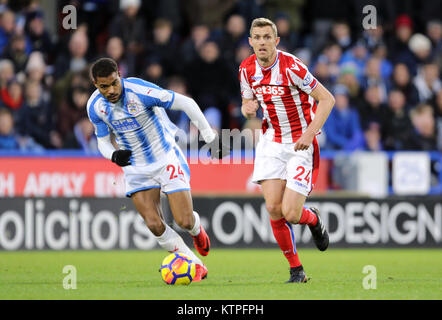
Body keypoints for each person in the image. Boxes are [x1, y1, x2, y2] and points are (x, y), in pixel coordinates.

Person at [87, 58, 228, 281]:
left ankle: (196, 228)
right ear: (95, 84)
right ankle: (195, 264)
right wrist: (113, 155)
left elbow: (187, 103)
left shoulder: (140, 91)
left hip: (165, 157)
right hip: (135, 166)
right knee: (154, 224)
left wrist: (211, 138)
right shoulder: (95, 107)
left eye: (114, 83)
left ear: (119, 76)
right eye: (104, 86)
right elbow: (102, 140)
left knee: (183, 221)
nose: (111, 90)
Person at [239, 18, 334, 283]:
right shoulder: (246, 69)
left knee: (291, 213)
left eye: (267, 37)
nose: (261, 42)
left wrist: (309, 132)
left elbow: (327, 99)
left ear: (276, 41)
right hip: (271, 141)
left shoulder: (292, 66)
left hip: (299, 143)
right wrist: (247, 107)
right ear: (250, 41)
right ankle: (297, 270)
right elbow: (248, 100)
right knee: (273, 208)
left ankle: (312, 220)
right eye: (256, 37)